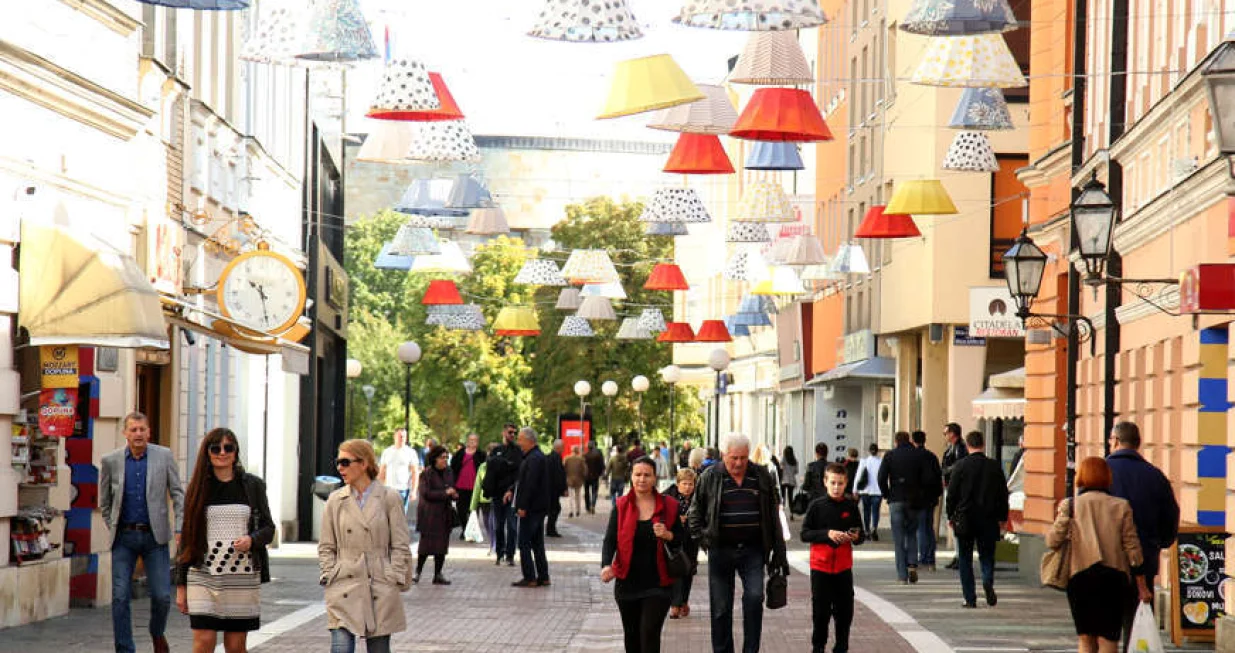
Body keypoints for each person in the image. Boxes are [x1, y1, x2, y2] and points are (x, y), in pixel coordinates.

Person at [174, 428, 275, 653]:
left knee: (236, 646)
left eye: (228, 448)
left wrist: (252, 539)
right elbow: (187, 539)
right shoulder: (198, 488)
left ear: (236, 452)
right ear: (207, 453)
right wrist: (181, 586)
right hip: (202, 573)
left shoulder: (252, 486)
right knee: (203, 640)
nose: (222, 452)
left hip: (241, 574)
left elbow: (269, 528)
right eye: (216, 448)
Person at [688, 434, 789, 653]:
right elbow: (695, 513)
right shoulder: (710, 476)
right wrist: (705, 541)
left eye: (743, 457)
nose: (739, 463)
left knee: (754, 598)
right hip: (721, 549)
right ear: (724, 455)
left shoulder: (761, 475)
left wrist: (778, 550)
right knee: (721, 607)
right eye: (734, 458)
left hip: (753, 550)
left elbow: (772, 515)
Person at [99, 412, 184, 653]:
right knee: (119, 596)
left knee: (162, 596)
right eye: (133, 430)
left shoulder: (164, 456)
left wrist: (179, 527)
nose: (138, 434)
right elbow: (104, 501)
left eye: (142, 429)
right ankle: (125, 648)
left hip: (154, 537)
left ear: (149, 432)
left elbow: (178, 494)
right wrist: (112, 523)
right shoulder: (111, 460)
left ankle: (157, 632)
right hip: (123, 538)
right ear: (125, 433)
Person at [319, 439, 412, 653]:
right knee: (340, 647)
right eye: (338, 462)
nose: (340, 468)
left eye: (345, 462)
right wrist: (329, 573)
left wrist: (394, 575)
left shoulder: (389, 498)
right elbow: (326, 545)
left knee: (379, 649)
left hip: (379, 581)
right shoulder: (336, 500)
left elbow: (400, 543)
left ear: (364, 463)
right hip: (344, 580)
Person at [1047, 457, 1148, 653]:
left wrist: (1064, 520)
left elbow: (1052, 541)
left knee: (1086, 639)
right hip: (1114, 577)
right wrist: (1141, 584)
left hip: (1080, 577)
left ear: (1081, 476)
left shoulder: (1071, 505)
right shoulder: (1121, 505)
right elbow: (1132, 547)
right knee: (1109, 639)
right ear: (1107, 477)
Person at [1106, 421, 1179, 649]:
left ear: (1116, 441)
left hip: (1105, 560)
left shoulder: (1100, 472)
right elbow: (1170, 514)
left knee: (1105, 626)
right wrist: (1161, 542)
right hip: (1145, 559)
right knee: (1136, 621)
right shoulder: (1154, 476)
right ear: (1137, 443)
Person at [601, 456, 686, 653]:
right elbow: (610, 540)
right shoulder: (621, 506)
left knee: (649, 634)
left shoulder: (670, 505)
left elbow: (682, 539)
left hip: (658, 584)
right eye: (637, 474)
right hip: (627, 584)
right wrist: (606, 565)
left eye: (647, 475)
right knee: (631, 638)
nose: (642, 479)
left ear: (655, 478)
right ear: (631, 476)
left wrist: (668, 534)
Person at [801, 463, 865, 653]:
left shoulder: (851, 507)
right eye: (833, 483)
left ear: (846, 484)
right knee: (821, 611)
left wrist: (856, 537)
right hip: (820, 567)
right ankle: (818, 646)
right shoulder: (816, 506)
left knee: (844, 611)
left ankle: (841, 646)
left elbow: (861, 536)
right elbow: (805, 534)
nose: (836, 487)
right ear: (825, 482)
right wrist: (827, 534)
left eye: (840, 483)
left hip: (843, 567)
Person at [945, 431, 1009, 608]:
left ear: (967, 445)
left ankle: (969, 598)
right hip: (988, 518)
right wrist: (1003, 517)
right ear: (982, 444)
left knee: (965, 558)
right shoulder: (994, 466)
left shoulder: (960, 466)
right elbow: (1003, 495)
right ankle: (987, 580)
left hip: (965, 518)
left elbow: (952, 495)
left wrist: (950, 515)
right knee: (987, 555)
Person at [877, 431, 931, 584]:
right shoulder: (918, 455)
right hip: (914, 500)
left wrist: (887, 494)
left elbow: (881, 477)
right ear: (909, 440)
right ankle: (912, 564)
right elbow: (926, 478)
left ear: (896, 441)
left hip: (896, 499)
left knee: (898, 538)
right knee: (912, 533)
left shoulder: (890, 456)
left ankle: (902, 575)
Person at [510, 427, 551, 587]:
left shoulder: (534, 459)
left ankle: (530, 577)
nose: (519, 443)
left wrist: (523, 506)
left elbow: (530, 484)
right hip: (537, 508)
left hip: (532, 508)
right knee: (537, 543)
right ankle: (543, 575)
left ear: (529, 441)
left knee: (524, 542)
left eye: (520, 439)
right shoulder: (535, 457)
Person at [416, 445, 457, 585]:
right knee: (425, 546)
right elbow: (426, 493)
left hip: (444, 514)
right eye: (442, 457)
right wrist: (444, 493)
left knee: (442, 547)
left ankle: (438, 574)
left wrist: (454, 494)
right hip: (429, 515)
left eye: (446, 457)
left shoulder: (449, 472)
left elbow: (452, 488)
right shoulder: (427, 473)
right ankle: (418, 572)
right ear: (435, 459)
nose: (445, 460)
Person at [484, 423, 523, 566]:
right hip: (497, 494)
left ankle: (510, 554)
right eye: (510, 432)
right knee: (499, 525)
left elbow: (518, 472)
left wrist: (511, 489)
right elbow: (490, 472)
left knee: (512, 526)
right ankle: (499, 552)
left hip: (511, 494)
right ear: (503, 433)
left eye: (514, 433)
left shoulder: (518, 451)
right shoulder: (496, 451)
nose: (512, 435)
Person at [664, 468, 699, 620]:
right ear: (677, 484)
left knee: (689, 571)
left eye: (690, 484)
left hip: (692, 540)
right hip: (674, 540)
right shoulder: (668, 497)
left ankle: (684, 600)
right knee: (677, 570)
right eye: (684, 484)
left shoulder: (698, 498)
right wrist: (676, 519)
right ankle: (675, 605)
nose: (687, 487)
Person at [912, 431, 944, 572]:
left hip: (919, 498)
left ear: (913, 441)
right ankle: (931, 558)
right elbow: (938, 476)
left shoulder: (914, 456)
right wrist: (937, 494)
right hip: (931, 498)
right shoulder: (932, 456)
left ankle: (924, 558)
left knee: (921, 528)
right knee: (929, 528)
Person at [941, 422, 969, 570]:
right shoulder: (952, 448)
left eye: (945, 433)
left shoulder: (960, 448)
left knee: (955, 520)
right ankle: (957, 555)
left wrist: (946, 471)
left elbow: (959, 466)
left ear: (952, 434)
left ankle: (960, 555)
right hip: (951, 487)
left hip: (956, 490)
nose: (944, 436)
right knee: (952, 521)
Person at [449, 433, 485, 541]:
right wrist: (452, 485)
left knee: (473, 511)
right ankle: (465, 529)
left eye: (475, 440)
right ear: (467, 441)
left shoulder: (481, 454)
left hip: (475, 487)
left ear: (477, 442)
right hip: (460, 486)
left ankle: (471, 532)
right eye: (470, 440)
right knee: (461, 510)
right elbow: (452, 468)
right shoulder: (460, 453)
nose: (472, 442)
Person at [470, 443, 500, 554]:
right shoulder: (482, 467)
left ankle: (495, 545)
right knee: (487, 524)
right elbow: (477, 486)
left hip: (497, 499)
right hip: (484, 500)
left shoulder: (502, 465)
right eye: (489, 451)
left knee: (494, 523)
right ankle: (493, 543)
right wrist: (473, 506)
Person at [378, 428, 418, 512]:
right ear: (394, 436)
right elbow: (382, 472)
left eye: (404, 436)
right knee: (387, 517)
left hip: (403, 490)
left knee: (400, 518)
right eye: (400, 436)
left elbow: (415, 472)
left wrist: (414, 491)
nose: (402, 438)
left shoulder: (410, 452)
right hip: (388, 489)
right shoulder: (387, 452)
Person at [855, 443, 883, 541]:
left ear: (869, 451)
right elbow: (883, 476)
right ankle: (874, 528)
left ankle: (866, 531)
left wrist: (855, 489)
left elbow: (858, 476)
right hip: (877, 491)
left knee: (866, 511)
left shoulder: (864, 461)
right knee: (875, 511)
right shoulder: (881, 462)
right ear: (877, 451)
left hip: (865, 491)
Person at [546, 439, 568, 537]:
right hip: (553, 489)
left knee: (553, 509)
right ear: (558, 447)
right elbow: (559, 475)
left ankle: (550, 529)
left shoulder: (549, 457)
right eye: (562, 447)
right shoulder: (556, 458)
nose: (563, 449)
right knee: (555, 509)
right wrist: (563, 489)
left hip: (550, 488)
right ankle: (550, 529)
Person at [564, 444, 588, 518]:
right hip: (579, 480)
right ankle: (578, 511)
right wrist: (584, 477)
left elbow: (563, 469)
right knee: (578, 496)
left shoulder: (567, 458)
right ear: (577, 450)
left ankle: (571, 511)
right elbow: (585, 470)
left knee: (571, 496)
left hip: (569, 480)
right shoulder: (581, 459)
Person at [584, 441, 606, 515]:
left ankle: (587, 507)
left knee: (586, 492)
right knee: (594, 492)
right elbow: (602, 465)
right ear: (593, 446)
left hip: (586, 477)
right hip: (595, 476)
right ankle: (593, 505)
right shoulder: (598, 455)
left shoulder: (585, 455)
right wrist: (600, 473)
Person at [780, 446, 799, 522]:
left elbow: (781, 467)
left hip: (784, 481)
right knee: (790, 498)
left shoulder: (783, 459)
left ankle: (782, 514)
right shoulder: (795, 461)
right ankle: (791, 514)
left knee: (783, 497)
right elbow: (796, 472)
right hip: (792, 481)